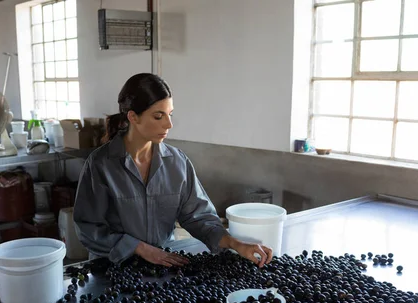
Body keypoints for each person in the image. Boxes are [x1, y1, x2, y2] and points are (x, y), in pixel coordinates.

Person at [73, 73, 272, 267]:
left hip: (162, 267)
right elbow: (89, 229)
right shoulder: (100, 165)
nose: (169, 124)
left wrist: (235, 243)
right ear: (133, 117)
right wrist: (138, 247)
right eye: (158, 116)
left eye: (170, 114)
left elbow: (199, 217)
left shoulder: (177, 162)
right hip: (111, 270)